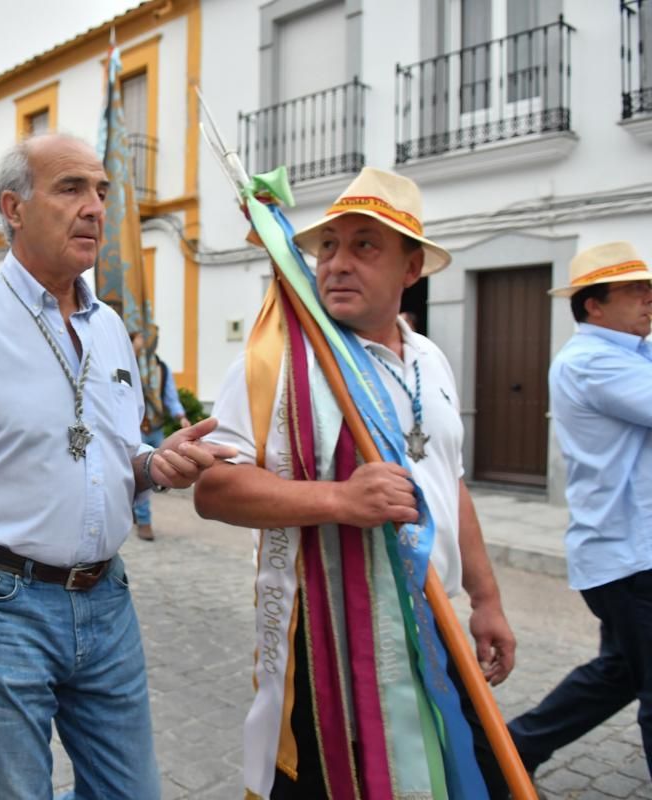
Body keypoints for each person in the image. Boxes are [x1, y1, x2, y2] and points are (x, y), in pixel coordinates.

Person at [0, 134, 236, 799]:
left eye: (101, 190)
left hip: (107, 601)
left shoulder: (110, 328)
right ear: (13, 207)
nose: (94, 207)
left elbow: (118, 452)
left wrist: (158, 462)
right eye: (70, 189)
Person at [195, 167, 516, 799]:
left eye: (365, 245)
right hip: (332, 649)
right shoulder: (277, 363)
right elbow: (214, 490)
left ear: (411, 268)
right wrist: (338, 499)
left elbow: (449, 484)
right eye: (329, 246)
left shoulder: (430, 358)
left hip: (436, 628)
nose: (338, 263)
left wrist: (486, 601)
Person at [507, 241, 652, 780]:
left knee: (617, 673)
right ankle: (506, 753)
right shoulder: (593, 361)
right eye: (635, 289)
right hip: (631, 557)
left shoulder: (631, 356)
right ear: (594, 304)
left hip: (629, 554)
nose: (648, 298)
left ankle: (509, 752)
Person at [129, 329, 189, 541]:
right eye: (142, 336)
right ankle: (144, 521)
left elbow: (170, 396)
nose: (146, 341)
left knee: (156, 473)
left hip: (157, 427)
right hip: (136, 427)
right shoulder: (128, 364)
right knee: (141, 469)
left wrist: (180, 416)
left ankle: (138, 514)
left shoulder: (162, 368)